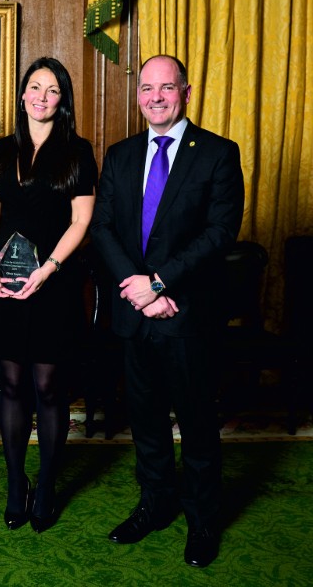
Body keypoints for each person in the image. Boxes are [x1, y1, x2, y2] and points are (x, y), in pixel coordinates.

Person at [90, 55, 244, 568]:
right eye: (147, 88)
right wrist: (138, 291)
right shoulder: (120, 154)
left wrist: (160, 282)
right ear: (138, 95)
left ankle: (201, 518)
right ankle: (155, 504)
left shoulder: (218, 154)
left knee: (197, 422)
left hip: (186, 312)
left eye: (167, 88)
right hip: (135, 312)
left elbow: (220, 233)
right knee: (146, 419)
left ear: (186, 91)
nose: (156, 97)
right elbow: (103, 228)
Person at [0, 57, 97, 533]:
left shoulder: (78, 150)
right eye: (34, 87)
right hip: (4, 283)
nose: (42, 96)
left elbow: (82, 220)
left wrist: (49, 268)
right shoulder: (3, 150)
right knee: (9, 384)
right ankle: (15, 483)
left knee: (47, 387)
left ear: (62, 99)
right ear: (22, 93)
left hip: (53, 284)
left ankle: (45, 484)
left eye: (52, 89)